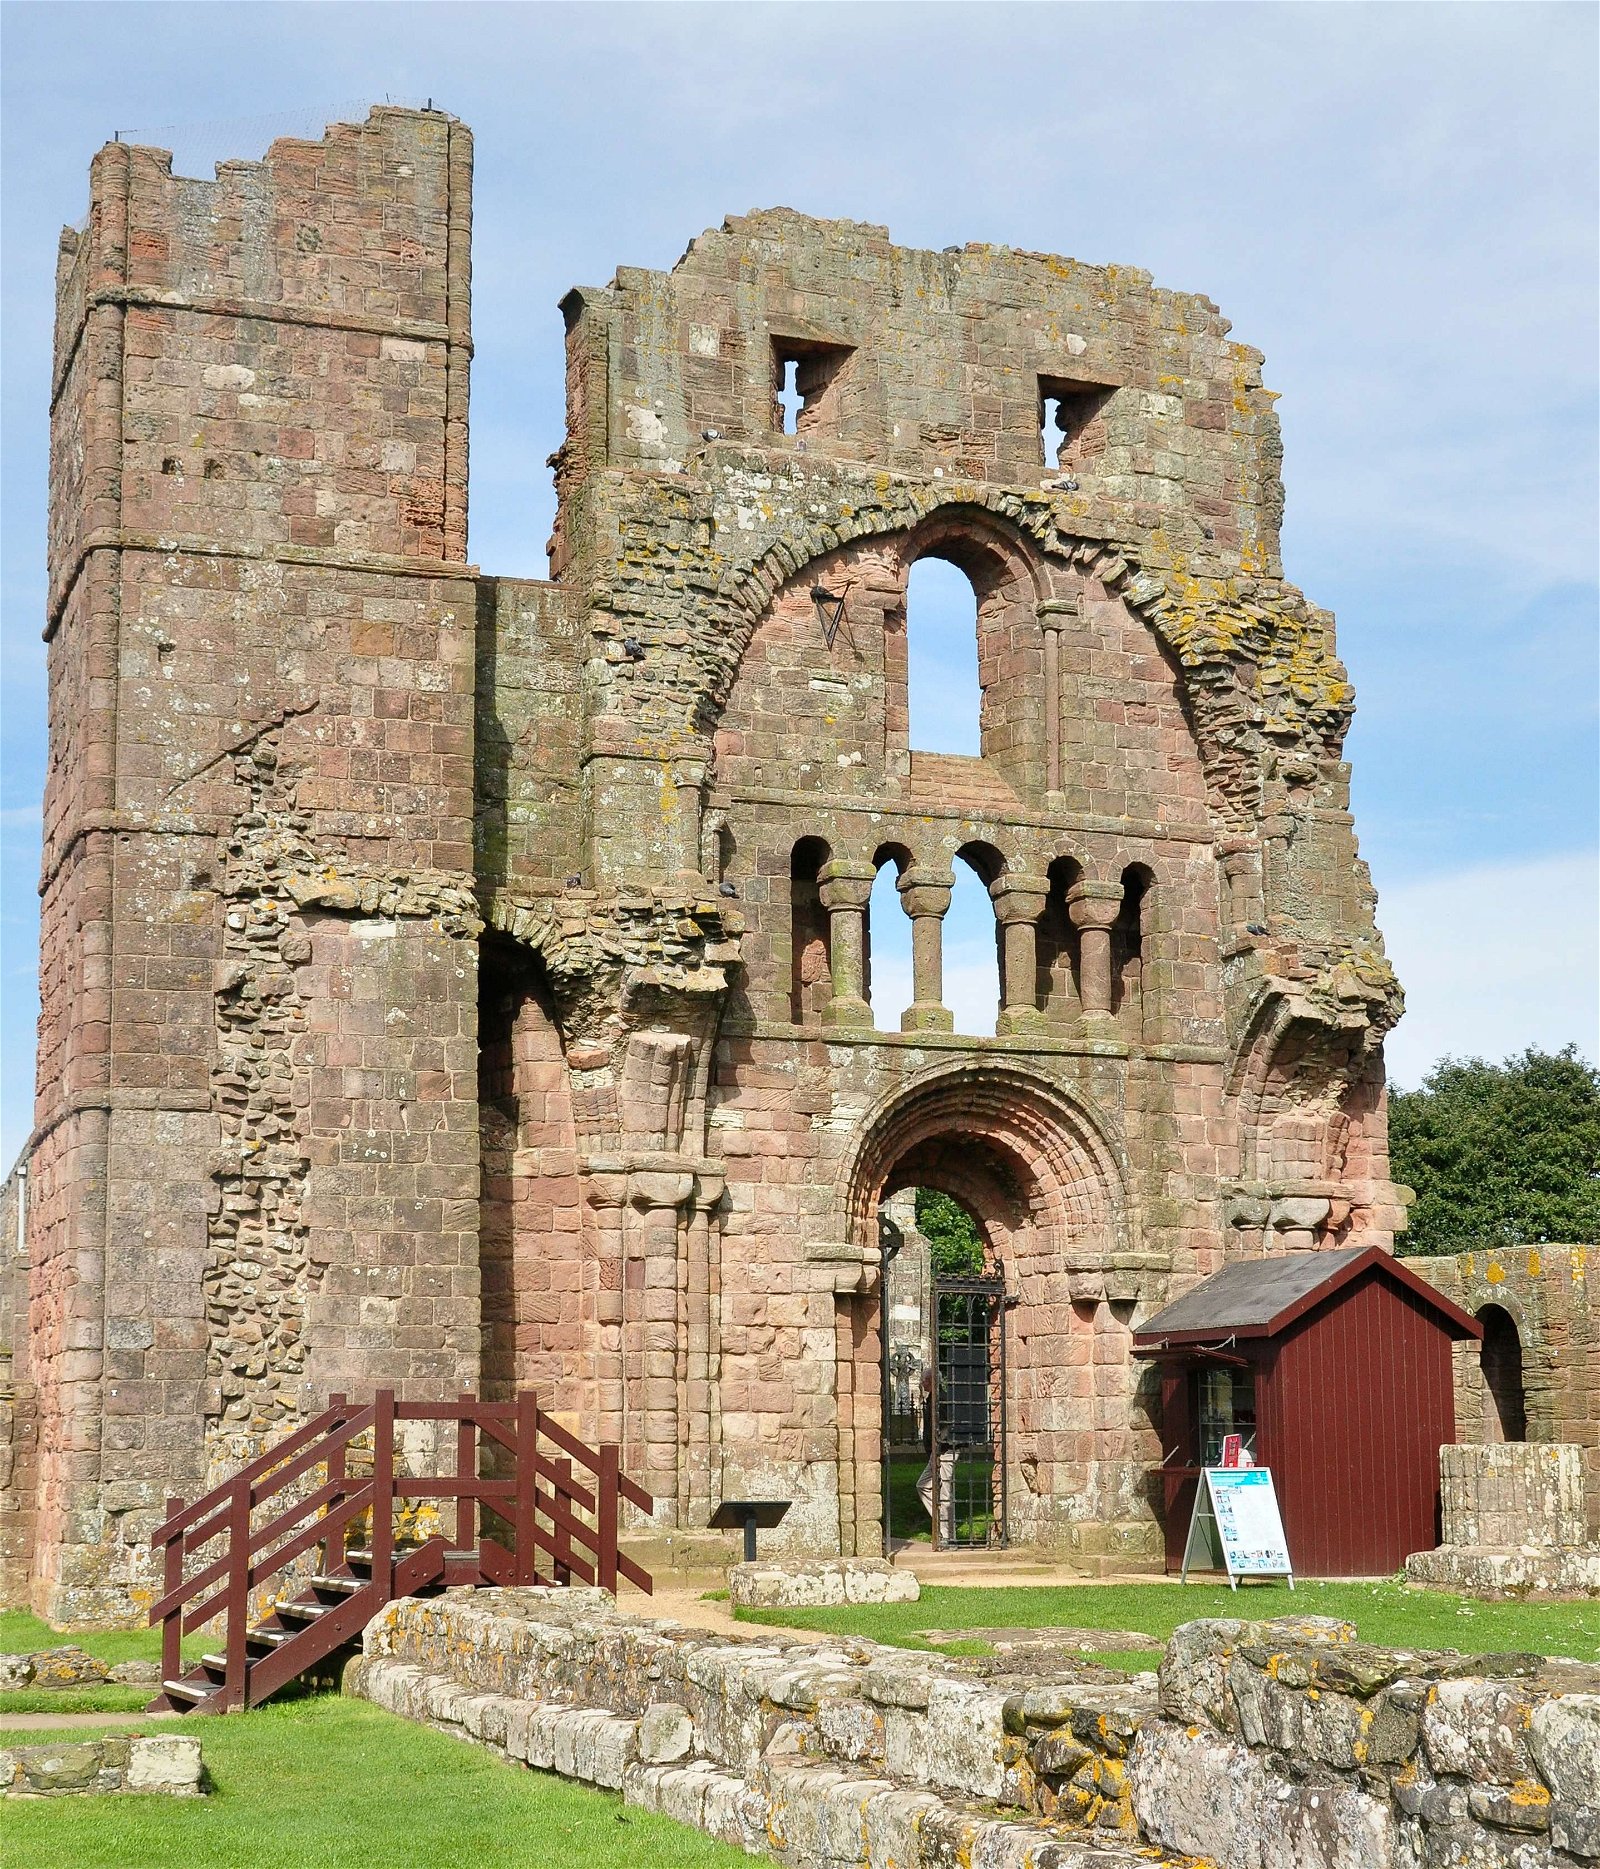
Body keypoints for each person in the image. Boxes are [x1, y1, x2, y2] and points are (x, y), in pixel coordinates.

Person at [913, 1365, 955, 1542]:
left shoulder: (942, 1399)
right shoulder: (931, 1399)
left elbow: (947, 1424)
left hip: (945, 1450)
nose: (922, 1383)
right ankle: (940, 1524)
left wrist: (939, 1443)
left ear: (931, 1381)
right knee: (923, 1485)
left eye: (924, 1380)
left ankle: (947, 1536)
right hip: (936, 1452)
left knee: (945, 1492)